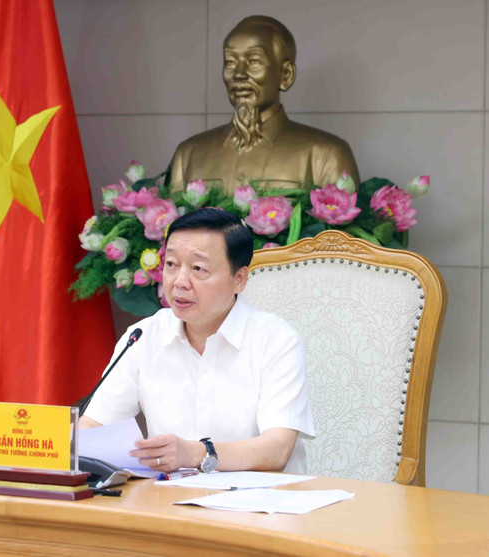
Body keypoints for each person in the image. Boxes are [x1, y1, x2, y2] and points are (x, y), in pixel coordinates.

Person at [79, 208, 314, 474]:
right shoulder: (143, 336)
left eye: (198, 269)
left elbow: (277, 450)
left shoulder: (276, 341)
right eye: (171, 264)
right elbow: (95, 427)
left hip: (261, 508)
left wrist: (194, 453)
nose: (179, 282)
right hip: (169, 505)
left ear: (239, 279)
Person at [169, 15, 360, 193]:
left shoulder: (327, 155)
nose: (239, 74)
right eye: (230, 62)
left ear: (286, 75)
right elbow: (171, 228)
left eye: (254, 61)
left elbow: (341, 230)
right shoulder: (188, 155)